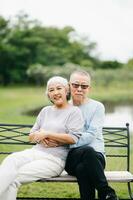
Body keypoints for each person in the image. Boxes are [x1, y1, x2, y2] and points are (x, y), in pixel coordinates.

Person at [0, 76, 84, 200]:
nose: (55, 92)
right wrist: (40, 136)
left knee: (14, 179)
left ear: (66, 90)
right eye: (51, 90)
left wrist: (47, 133)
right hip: (35, 152)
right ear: (48, 95)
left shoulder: (74, 112)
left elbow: (73, 138)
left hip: (54, 160)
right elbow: (31, 136)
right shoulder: (45, 111)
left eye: (59, 88)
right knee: (11, 160)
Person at [64, 70, 118, 200]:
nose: (79, 89)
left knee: (83, 168)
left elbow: (91, 134)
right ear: (69, 86)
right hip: (72, 158)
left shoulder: (97, 107)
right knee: (88, 150)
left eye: (84, 86)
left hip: (97, 158)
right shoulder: (63, 107)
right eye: (75, 85)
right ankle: (106, 191)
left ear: (89, 88)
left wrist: (67, 140)